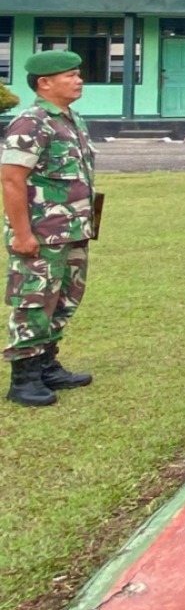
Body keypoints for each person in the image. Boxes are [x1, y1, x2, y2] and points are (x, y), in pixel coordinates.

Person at [4, 51, 98, 408]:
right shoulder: (32, 122)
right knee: (33, 300)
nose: (79, 81)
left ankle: (46, 363)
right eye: (70, 76)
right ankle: (24, 378)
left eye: (78, 75)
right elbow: (12, 180)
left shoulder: (70, 120)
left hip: (71, 229)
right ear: (44, 83)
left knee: (64, 299)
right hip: (40, 233)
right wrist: (22, 233)